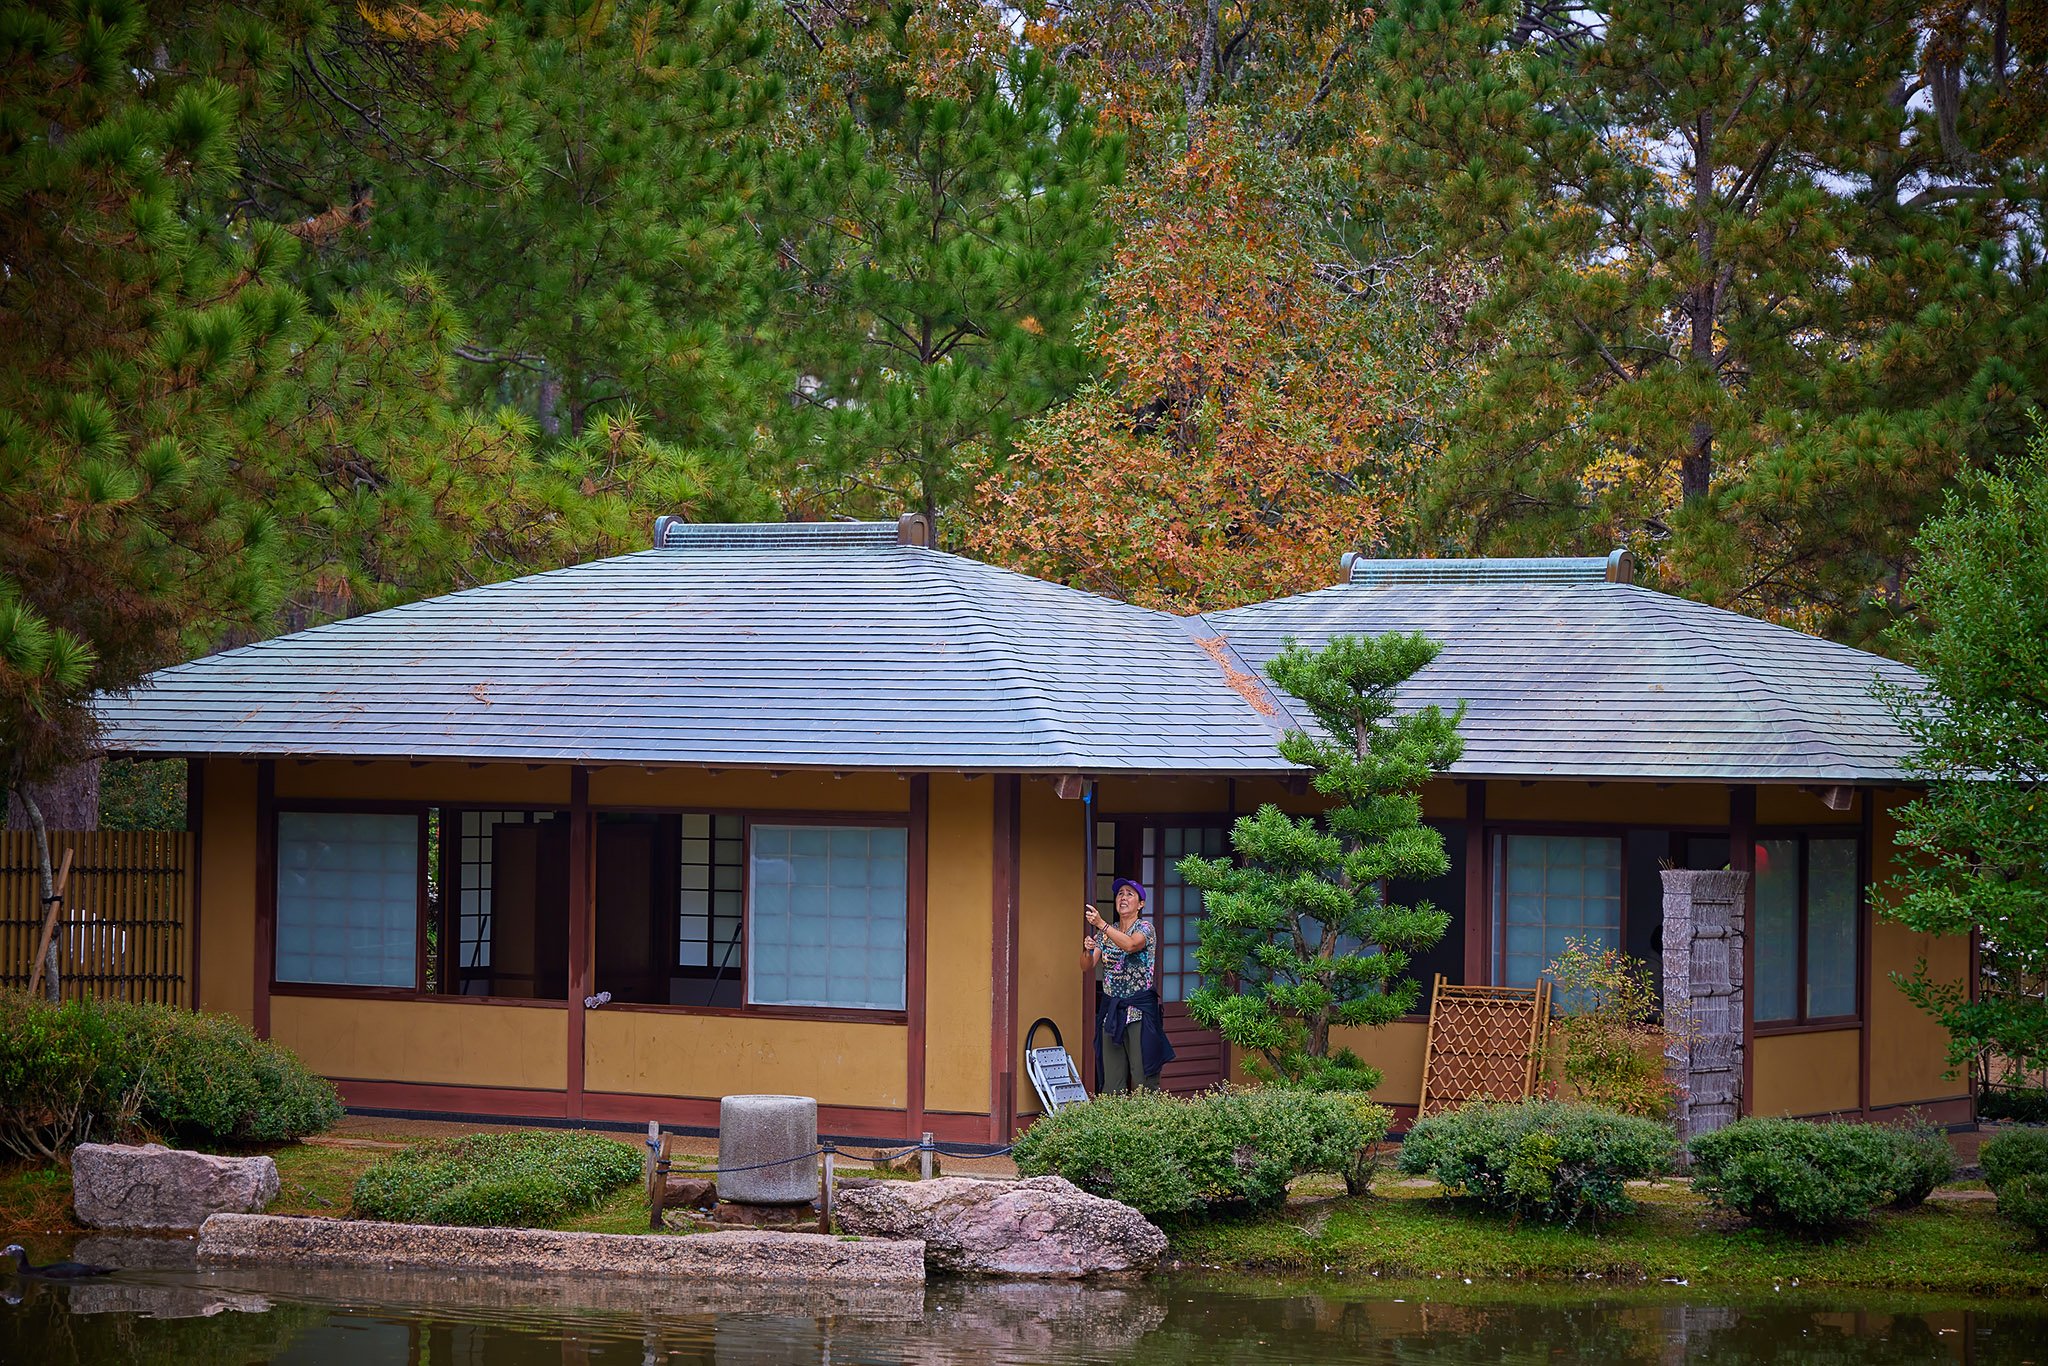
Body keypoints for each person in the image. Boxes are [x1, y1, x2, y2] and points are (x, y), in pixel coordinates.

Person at [1085, 877, 1175, 1092]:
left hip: (1139, 1012)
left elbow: (1131, 945)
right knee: (1111, 1079)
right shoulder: (1106, 933)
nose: (1123, 897)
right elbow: (1087, 965)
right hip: (1112, 1012)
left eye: (1130, 894)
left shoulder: (1145, 928)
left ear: (1141, 904)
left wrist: (1101, 924)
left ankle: (1148, 1121)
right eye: (1120, 894)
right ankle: (1114, 1120)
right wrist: (1088, 949)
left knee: (1143, 1076)